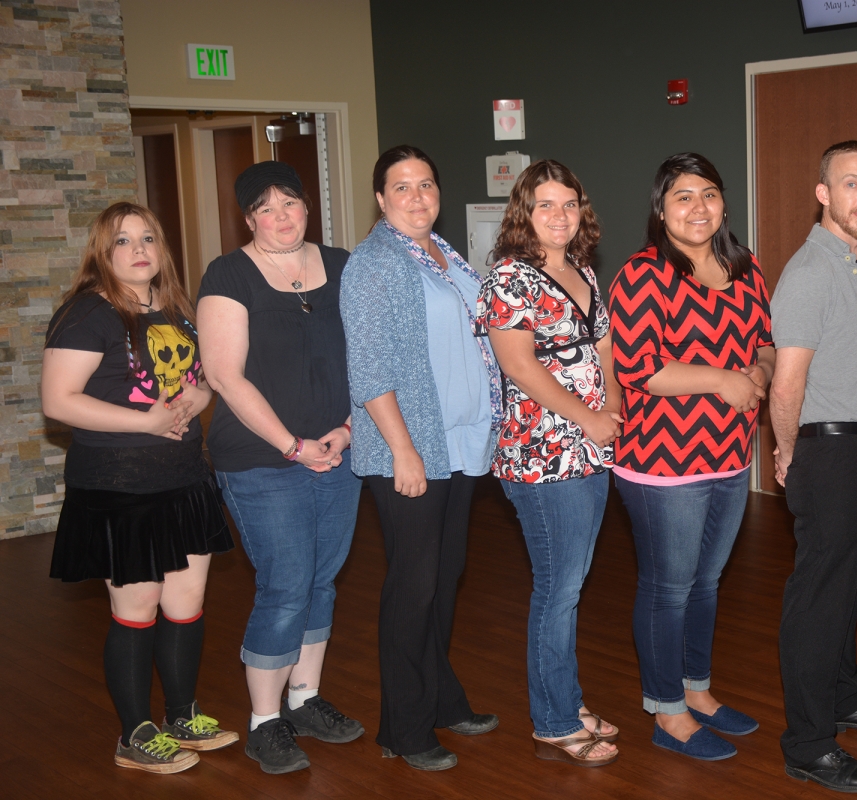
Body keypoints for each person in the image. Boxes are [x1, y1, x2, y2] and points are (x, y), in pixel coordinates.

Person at [42, 202, 235, 774]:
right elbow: (59, 402)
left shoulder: (174, 309)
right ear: (103, 252)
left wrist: (194, 402)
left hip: (182, 478)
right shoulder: (87, 314)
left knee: (186, 603)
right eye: (123, 241)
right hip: (119, 487)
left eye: (147, 238)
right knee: (138, 608)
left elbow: (198, 383)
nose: (139, 249)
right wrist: (148, 421)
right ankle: (134, 735)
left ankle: (182, 715)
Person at [197, 161, 364, 775]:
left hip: (340, 452)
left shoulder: (343, 265)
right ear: (248, 218)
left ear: (307, 206)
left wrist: (346, 432)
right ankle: (264, 723)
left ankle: (305, 699)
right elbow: (223, 375)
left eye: (290, 202)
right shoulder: (229, 274)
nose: (281, 216)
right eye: (265, 208)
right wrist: (293, 446)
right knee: (287, 584)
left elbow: (371, 357)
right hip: (261, 460)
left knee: (322, 579)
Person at [609, 153, 775, 761]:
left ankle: (697, 691)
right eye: (683, 196)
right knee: (667, 589)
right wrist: (724, 381)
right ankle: (667, 711)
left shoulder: (744, 266)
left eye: (708, 193)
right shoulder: (642, 275)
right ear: (662, 209)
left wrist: (757, 368)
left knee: (705, 584)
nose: (698, 206)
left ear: (723, 203)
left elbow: (764, 341)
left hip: (730, 455)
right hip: (662, 464)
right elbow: (641, 369)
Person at [340, 145, 501, 772]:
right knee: (413, 585)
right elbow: (370, 369)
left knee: (444, 575)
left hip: (457, 441)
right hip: (409, 449)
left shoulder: (447, 257)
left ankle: (441, 698)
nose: (417, 197)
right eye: (401, 187)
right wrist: (403, 450)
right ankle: (404, 728)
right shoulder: (374, 264)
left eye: (426, 184)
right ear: (380, 199)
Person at [770, 142, 857, 794]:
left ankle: (845, 696)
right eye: (851, 183)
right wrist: (788, 453)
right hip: (825, 452)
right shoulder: (809, 273)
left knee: (851, 586)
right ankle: (808, 743)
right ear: (822, 193)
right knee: (819, 599)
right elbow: (787, 381)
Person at [477, 160, 622, 767]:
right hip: (542, 455)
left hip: (593, 448)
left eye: (568, 205)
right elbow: (519, 365)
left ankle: (566, 698)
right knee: (557, 590)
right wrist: (586, 416)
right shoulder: (509, 278)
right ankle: (555, 720)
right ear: (524, 213)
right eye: (545, 206)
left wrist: (612, 398)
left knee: (572, 584)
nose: (559, 216)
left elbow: (603, 343)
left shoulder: (583, 269)